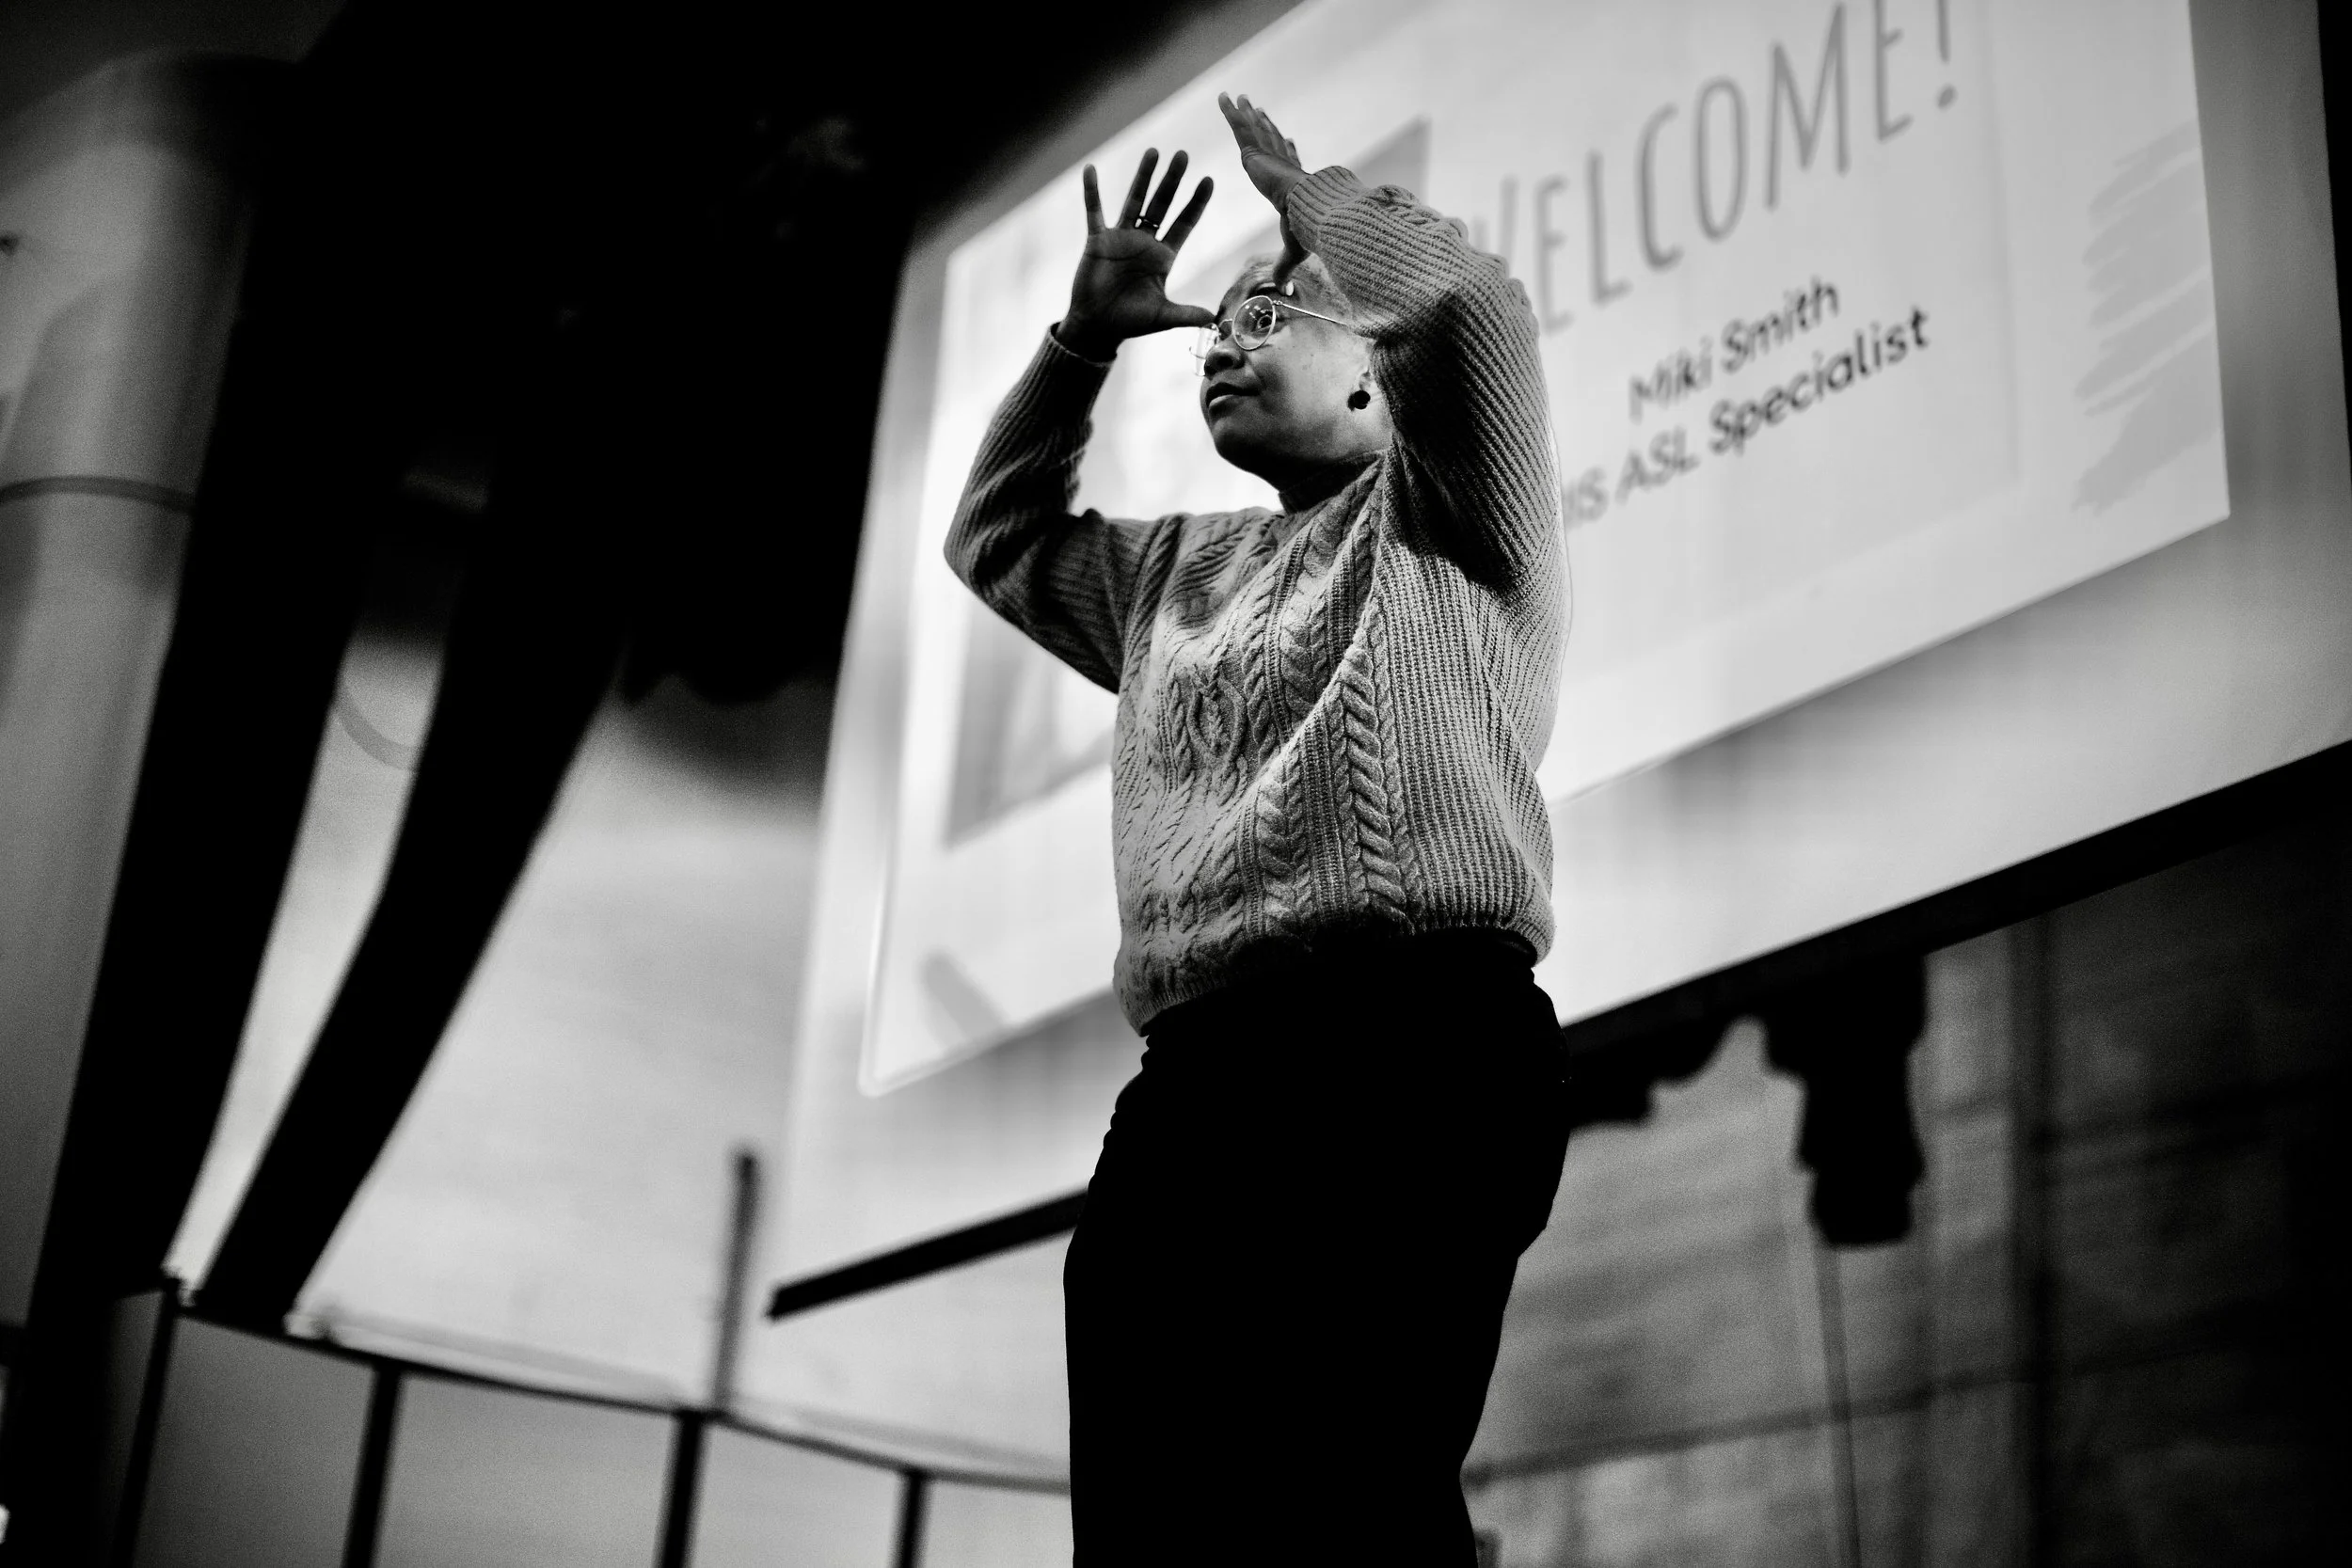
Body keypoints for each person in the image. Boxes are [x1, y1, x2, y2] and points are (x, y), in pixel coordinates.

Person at [945, 93, 1571, 1565]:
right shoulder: (1171, 574)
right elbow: (996, 539)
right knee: (1155, 1526)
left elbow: (1473, 304)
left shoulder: (1450, 513)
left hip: (1413, 1051)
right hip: (1196, 1083)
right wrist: (1080, 341)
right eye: (1218, 325)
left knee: (1340, 1505)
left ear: (1377, 384)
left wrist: (1317, 207)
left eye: (1274, 314)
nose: (1226, 339)